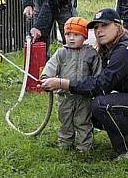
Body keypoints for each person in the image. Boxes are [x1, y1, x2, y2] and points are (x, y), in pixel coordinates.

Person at [40, 9, 128, 160]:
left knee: (102, 105)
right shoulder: (112, 48)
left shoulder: (125, 50)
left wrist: (63, 83)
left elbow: (101, 85)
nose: (99, 31)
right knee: (90, 108)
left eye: (104, 25)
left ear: (117, 26)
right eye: (96, 28)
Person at [40, 17, 101, 152]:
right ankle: (65, 144)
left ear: (84, 37)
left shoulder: (91, 53)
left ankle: (84, 147)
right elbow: (51, 66)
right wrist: (46, 77)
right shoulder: (61, 53)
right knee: (65, 120)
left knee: (83, 121)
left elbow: (98, 73)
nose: (71, 38)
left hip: (83, 97)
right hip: (65, 96)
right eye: (68, 34)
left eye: (76, 35)